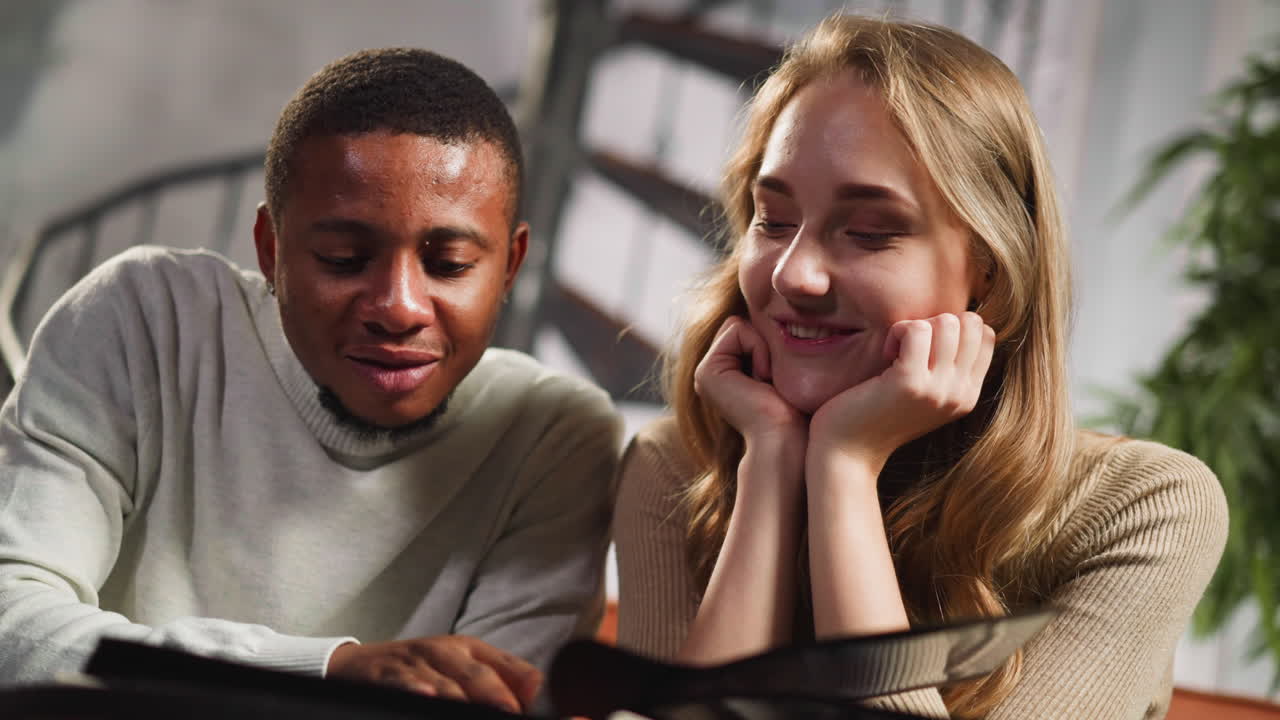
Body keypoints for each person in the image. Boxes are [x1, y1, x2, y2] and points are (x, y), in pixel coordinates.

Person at [614, 14, 1227, 720]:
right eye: (773, 220)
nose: (794, 275)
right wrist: (771, 465)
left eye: (870, 233)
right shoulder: (674, 469)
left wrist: (844, 467)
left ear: (991, 278)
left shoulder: (1142, 507)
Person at [0, 48, 622, 715]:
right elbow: (13, 625)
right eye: (344, 258)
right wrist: (327, 670)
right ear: (271, 248)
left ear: (510, 267)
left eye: (449, 264)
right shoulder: (146, 320)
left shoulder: (553, 436)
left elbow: (494, 707)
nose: (399, 307)